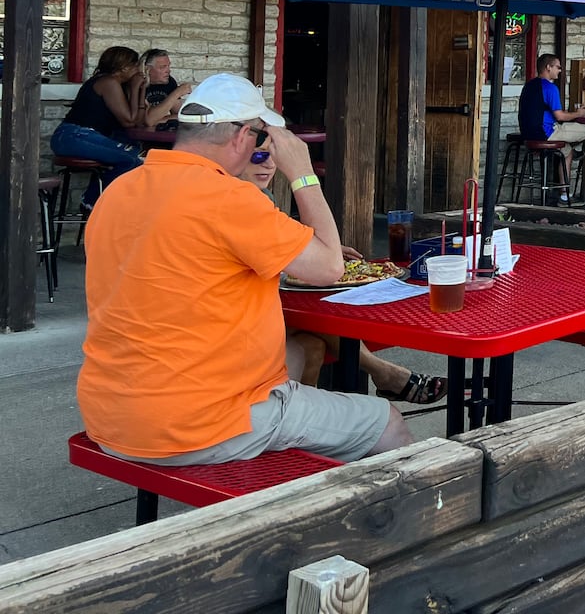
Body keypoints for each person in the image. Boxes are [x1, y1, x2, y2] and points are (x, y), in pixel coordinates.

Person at [77, 74, 410, 464]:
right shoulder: (228, 197)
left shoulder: (120, 188)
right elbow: (329, 267)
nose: (262, 148)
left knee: (302, 351)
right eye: (261, 137)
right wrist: (302, 173)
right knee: (388, 423)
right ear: (240, 136)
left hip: (112, 414)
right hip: (197, 424)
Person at [241, 141, 445, 406]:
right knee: (321, 321)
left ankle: (307, 421)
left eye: (274, 156)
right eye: (258, 155)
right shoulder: (235, 199)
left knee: (314, 345)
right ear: (234, 150)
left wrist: (324, 249)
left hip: (270, 313)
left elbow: (281, 243)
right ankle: (386, 374)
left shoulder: (262, 196)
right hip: (243, 325)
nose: (269, 164)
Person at [50, 45, 146, 207]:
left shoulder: (113, 84)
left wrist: (140, 90)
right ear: (124, 68)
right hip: (74, 136)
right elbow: (129, 121)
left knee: (136, 155)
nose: (138, 71)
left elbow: (137, 121)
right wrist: (136, 87)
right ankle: (92, 200)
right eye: (136, 66)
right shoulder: (108, 82)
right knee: (133, 158)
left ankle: (99, 200)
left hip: (80, 136)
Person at [518, 54, 585, 204]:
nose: (560, 70)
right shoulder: (550, 88)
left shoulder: (529, 85)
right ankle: (564, 195)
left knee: (567, 151)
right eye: (558, 67)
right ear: (548, 67)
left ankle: (572, 151)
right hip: (546, 133)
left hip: (528, 134)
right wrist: (578, 113)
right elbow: (560, 117)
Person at [140, 49, 193, 130]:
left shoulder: (169, 82)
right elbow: (148, 121)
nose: (168, 70)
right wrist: (177, 92)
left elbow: (180, 116)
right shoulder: (139, 84)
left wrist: (159, 120)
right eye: (162, 67)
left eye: (168, 66)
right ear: (147, 69)